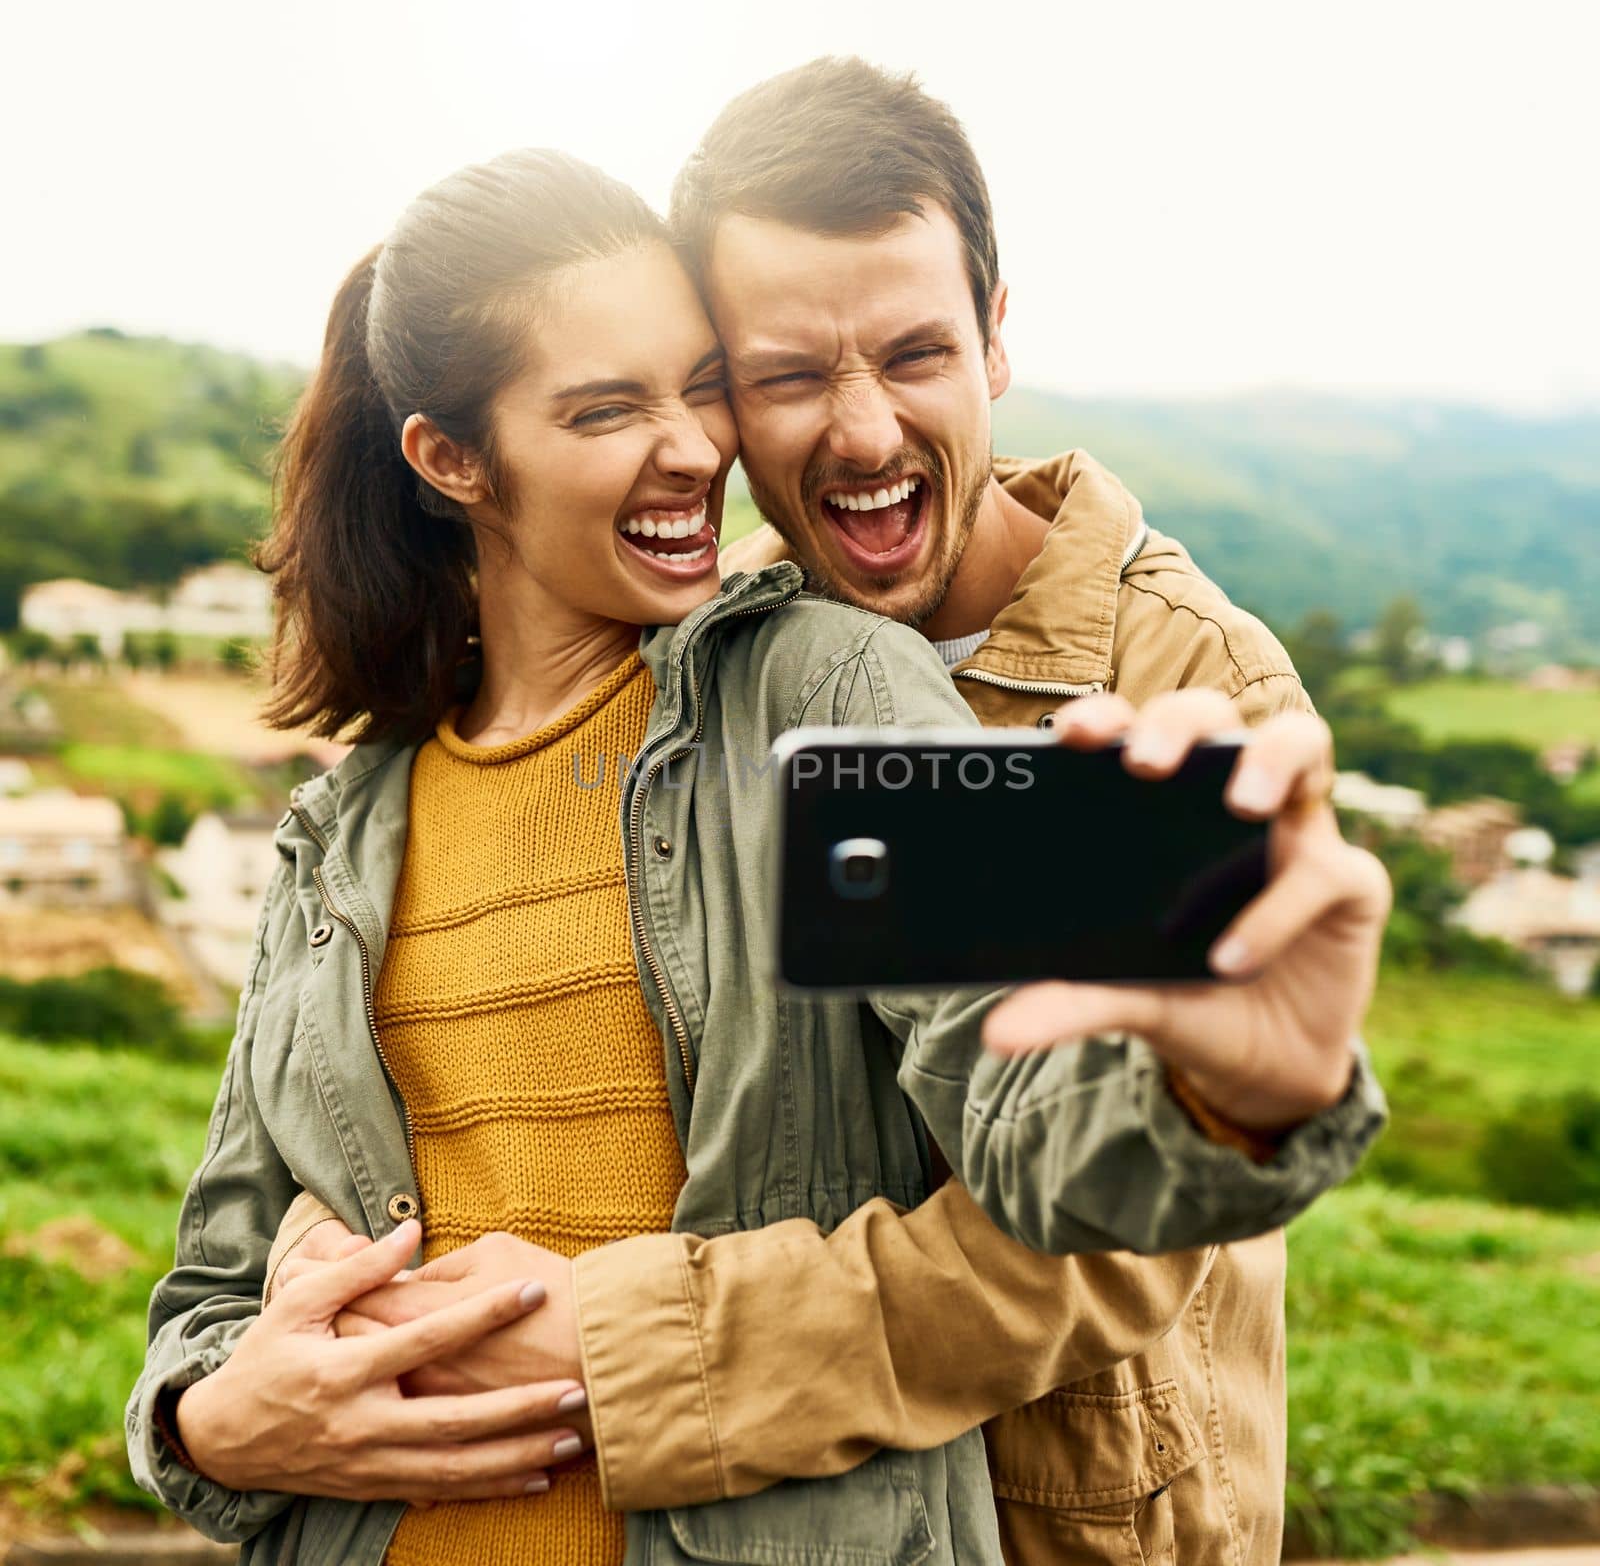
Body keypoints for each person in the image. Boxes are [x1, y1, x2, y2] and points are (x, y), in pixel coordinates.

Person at [129, 149, 1385, 1566]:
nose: (695, 450)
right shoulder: (342, 831)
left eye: (702, 385)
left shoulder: (833, 694)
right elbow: (212, 1299)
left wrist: (1231, 1095)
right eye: (608, 407)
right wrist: (208, 1424)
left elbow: (1031, 1119)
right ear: (453, 459)